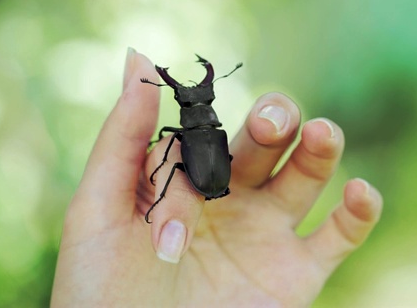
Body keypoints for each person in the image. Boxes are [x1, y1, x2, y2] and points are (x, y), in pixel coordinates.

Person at [50, 48, 383, 307]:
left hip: (211, 178)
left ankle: (166, 194)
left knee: (173, 155)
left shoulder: (186, 133)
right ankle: (167, 195)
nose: (194, 97)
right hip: (217, 181)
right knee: (173, 153)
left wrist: (160, 165)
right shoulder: (217, 136)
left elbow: (172, 151)